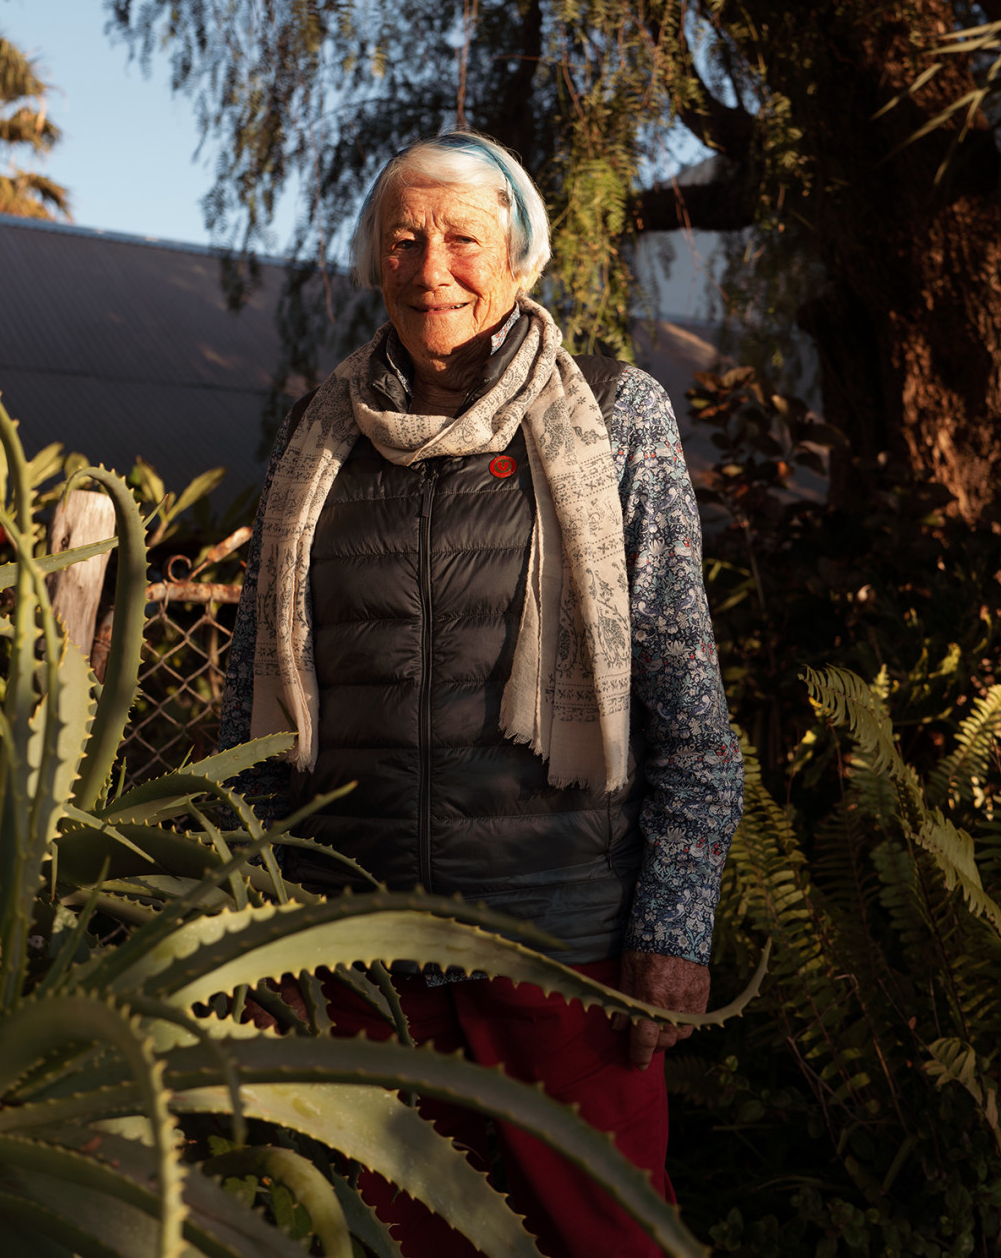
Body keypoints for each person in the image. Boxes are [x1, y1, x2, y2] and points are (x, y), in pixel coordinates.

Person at [217, 129, 743, 1257]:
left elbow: (684, 702)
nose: (429, 265)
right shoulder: (316, 435)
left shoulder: (614, 415)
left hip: (559, 948)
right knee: (389, 1241)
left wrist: (672, 922)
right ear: (373, 260)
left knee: (606, 1238)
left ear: (519, 258)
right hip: (354, 950)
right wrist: (252, 921)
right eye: (403, 238)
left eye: (462, 235)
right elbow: (246, 706)